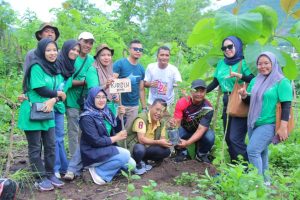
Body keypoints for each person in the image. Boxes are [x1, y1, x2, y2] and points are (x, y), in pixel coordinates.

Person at [18, 38, 65, 191]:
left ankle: (50, 173)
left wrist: (55, 97)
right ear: (41, 51)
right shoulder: (36, 66)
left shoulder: (55, 67)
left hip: (48, 110)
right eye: (48, 50)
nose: (52, 53)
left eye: (54, 50)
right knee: (35, 147)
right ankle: (39, 177)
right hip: (33, 111)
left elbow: (60, 91)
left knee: (51, 145)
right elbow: (41, 89)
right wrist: (57, 94)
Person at [239, 52, 292, 185]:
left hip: (270, 123)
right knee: (261, 151)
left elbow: (286, 106)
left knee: (252, 151)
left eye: (266, 63)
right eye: (260, 63)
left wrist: (283, 127)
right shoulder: (255, 80)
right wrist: (245, 96)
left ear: (273, 63)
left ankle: (257, 183)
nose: (262, 66)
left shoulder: (281, 81)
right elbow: (250, 102)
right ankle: (266, 182)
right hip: (253, 122)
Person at [206, 36, 254, 163]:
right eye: (224, 48)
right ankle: (235, 166)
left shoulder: (243, 62)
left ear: (237, 46)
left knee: (235, 138)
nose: (227, 50)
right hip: (227, 102)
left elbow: (253, 78)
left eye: (230, 46)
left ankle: (246, 167)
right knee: (228, 138)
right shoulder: (222, 63)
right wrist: (201, 92)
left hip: (240, 101)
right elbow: (215, 81)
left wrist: (239, 75)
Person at [79, 87, 136, 185]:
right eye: (98, 97)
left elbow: (116, 129)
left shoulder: (106, 112)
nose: (101, 100)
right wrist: (116, 138)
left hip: (106, 149)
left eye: (103, 97)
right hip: (92, 152)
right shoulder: (86, 118)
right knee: (125, 154)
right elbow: (96, 141)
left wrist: (119, 117)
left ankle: (104, 169)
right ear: (92, 99)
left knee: (132, 165)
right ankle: (98, 173)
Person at [53, 39, 81, 178]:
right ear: (65, 49)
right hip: (49, 104)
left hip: (59, 106)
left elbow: (66, 87)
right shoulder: (55, 65)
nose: (75, 52)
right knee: (52, 138)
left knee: (59, 137)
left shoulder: (71, 68)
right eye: (73, 49)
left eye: (77, 50)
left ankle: (63, 166)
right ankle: (54, 168)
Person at [65, 32, 95, 157]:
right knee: (73, 131)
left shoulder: (92, 59)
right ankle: (74, 159)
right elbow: (67, 81)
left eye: (90, 43)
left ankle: (84, 156)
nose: (87, 45)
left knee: (85, 130)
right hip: (72, 101)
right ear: (79, 41)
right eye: (85, 41)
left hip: (86, 101)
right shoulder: (72, 57)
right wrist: (85, 82)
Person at [171, 79, 215, 163]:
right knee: (175, 132)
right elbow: (177, 124)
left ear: (205, 92)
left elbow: (200, 130)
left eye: (201, 91)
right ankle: (182, 152)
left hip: (200, 132)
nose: (198, 94)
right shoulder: (182, 102)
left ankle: (201, 154)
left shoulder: (208, 108)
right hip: (185, 129)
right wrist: (174, 127)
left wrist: (187, 143)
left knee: (210, 136)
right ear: (191, 91)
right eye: (196, 91)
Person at [129, 98, 172, 175]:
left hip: (149, 147)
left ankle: (144, 160)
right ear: (150, 107)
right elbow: (141, 139)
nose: (159, 113)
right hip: (135, 147)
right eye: (157, 109)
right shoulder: (142, 118)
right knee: (140, 149)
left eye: (162, 111)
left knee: (166, 151)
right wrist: (159, 142)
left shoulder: (161, 122)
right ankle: (137, 163)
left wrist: (169, 141)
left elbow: (163, 138)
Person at [113, 39, 146, 136]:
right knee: (116, 129)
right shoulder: (120, 63)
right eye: (135, 49)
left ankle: (127, 150)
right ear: (129, 50)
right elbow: (113, 82)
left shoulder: (141, 68)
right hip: (119, 105)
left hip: (133, 105)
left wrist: (144, 107)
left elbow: (141, 89)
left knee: (129, 132)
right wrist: (115, 97)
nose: (138, 51)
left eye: (140, 50)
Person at [86, 43, 118, 114]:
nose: (106, 57)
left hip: (111, 107)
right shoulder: (92, 69)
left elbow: (113, 89)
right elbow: (93, 91)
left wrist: (116, 96)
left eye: (109, 55)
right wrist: (106, 85)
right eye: (103, 55)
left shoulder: (110, 68)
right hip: (97, 109)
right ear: (97, 57)